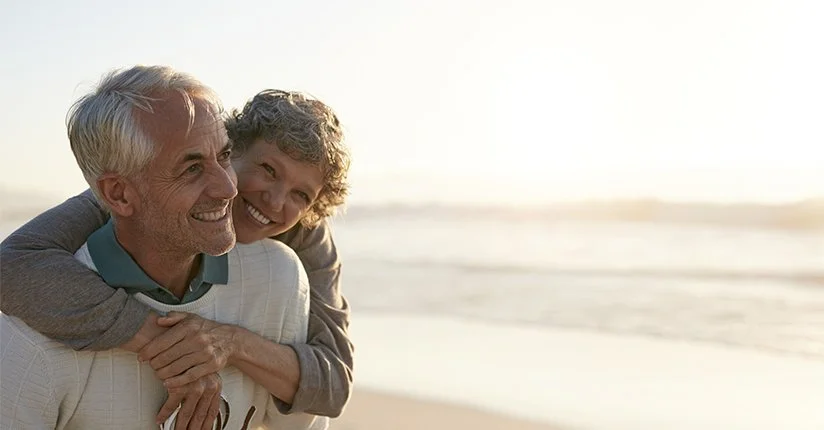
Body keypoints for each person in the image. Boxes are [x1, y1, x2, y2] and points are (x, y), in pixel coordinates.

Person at [0, 65, 347, 430]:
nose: (276, 203)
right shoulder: (109, 203)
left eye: (300, 195)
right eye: (268, 170)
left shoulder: (292, 261)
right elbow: (11, 265)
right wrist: (170, 346)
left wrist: (226, 342)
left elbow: (332, 386)